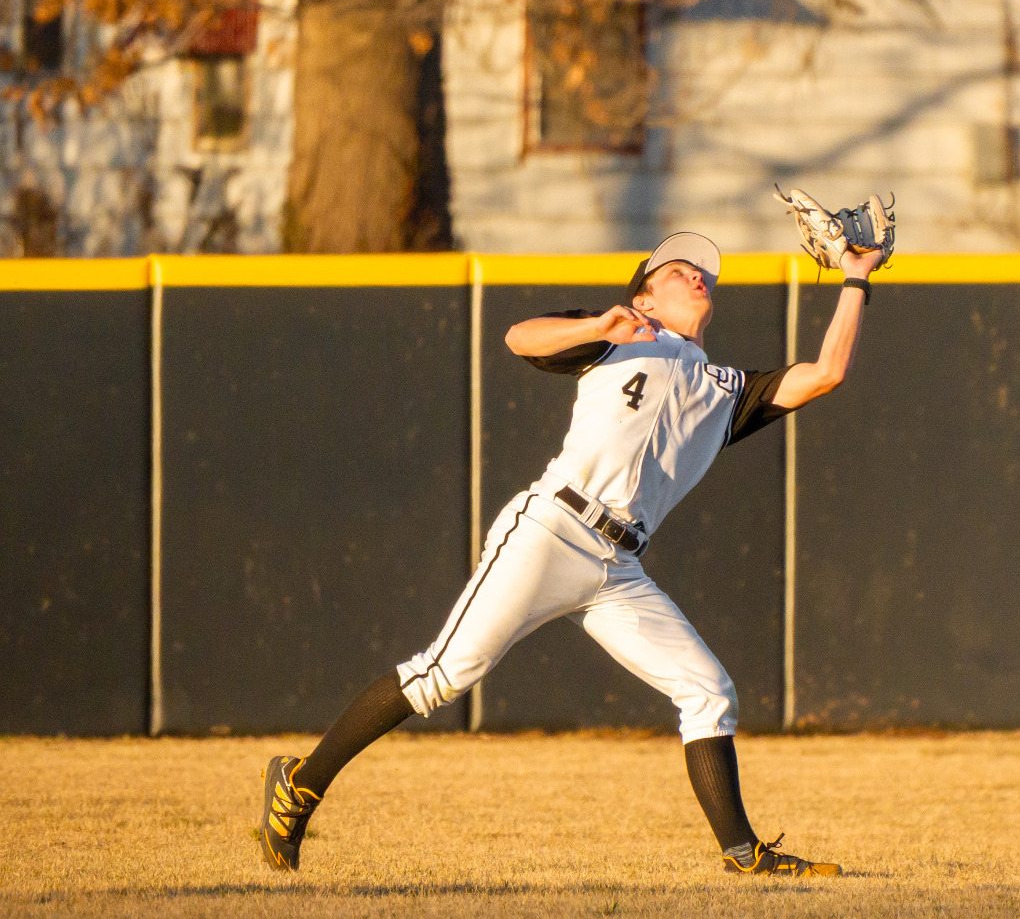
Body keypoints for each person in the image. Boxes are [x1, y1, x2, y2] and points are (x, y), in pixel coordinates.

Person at [257, 231, 884, 877]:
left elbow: (826, 373)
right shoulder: (617, 335)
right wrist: (600, 322)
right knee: (442, 674)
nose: (698, 275)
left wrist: (855, 278)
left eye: (704, 273)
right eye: (678, 270)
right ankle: (300, 783)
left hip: (619, 569)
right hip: (554, 529)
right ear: (645, 292)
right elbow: (518, 339)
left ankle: (742, 853)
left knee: (706, 690)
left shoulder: (726, 389)